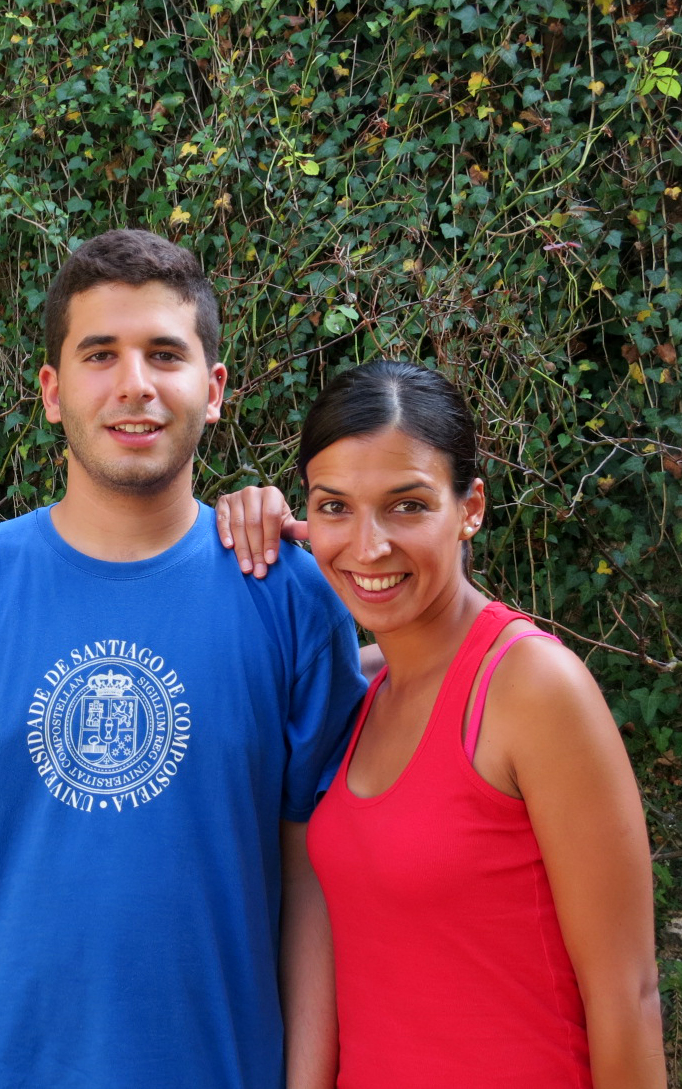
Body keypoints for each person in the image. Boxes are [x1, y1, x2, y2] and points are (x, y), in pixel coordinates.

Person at [0, 228, 367, 1089]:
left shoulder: (287, 596)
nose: (135, 384)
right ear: (52, 391)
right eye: (100, 354)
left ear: (214, 388)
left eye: (165, 353)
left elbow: (316, 875)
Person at [216, 359, 666, 1088]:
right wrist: (241, 525)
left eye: (406, 504)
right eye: (335, 507)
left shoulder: (530, 689)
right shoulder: (353, 693)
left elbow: (629, 998)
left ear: (470, 507)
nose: (367, 546)